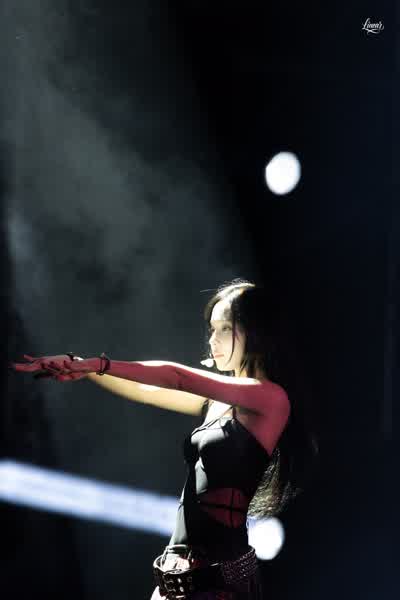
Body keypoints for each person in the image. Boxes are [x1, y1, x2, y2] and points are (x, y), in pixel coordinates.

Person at [10, 278, 319, 599]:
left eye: (226, 328)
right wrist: (85, 369)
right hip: (179, 572)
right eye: (212, 329)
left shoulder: (270, 399)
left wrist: (99, 364)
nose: (213, 339)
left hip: (219, 581)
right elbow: (147, 389)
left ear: (257, 332)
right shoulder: (218, 402)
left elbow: (177, 377)